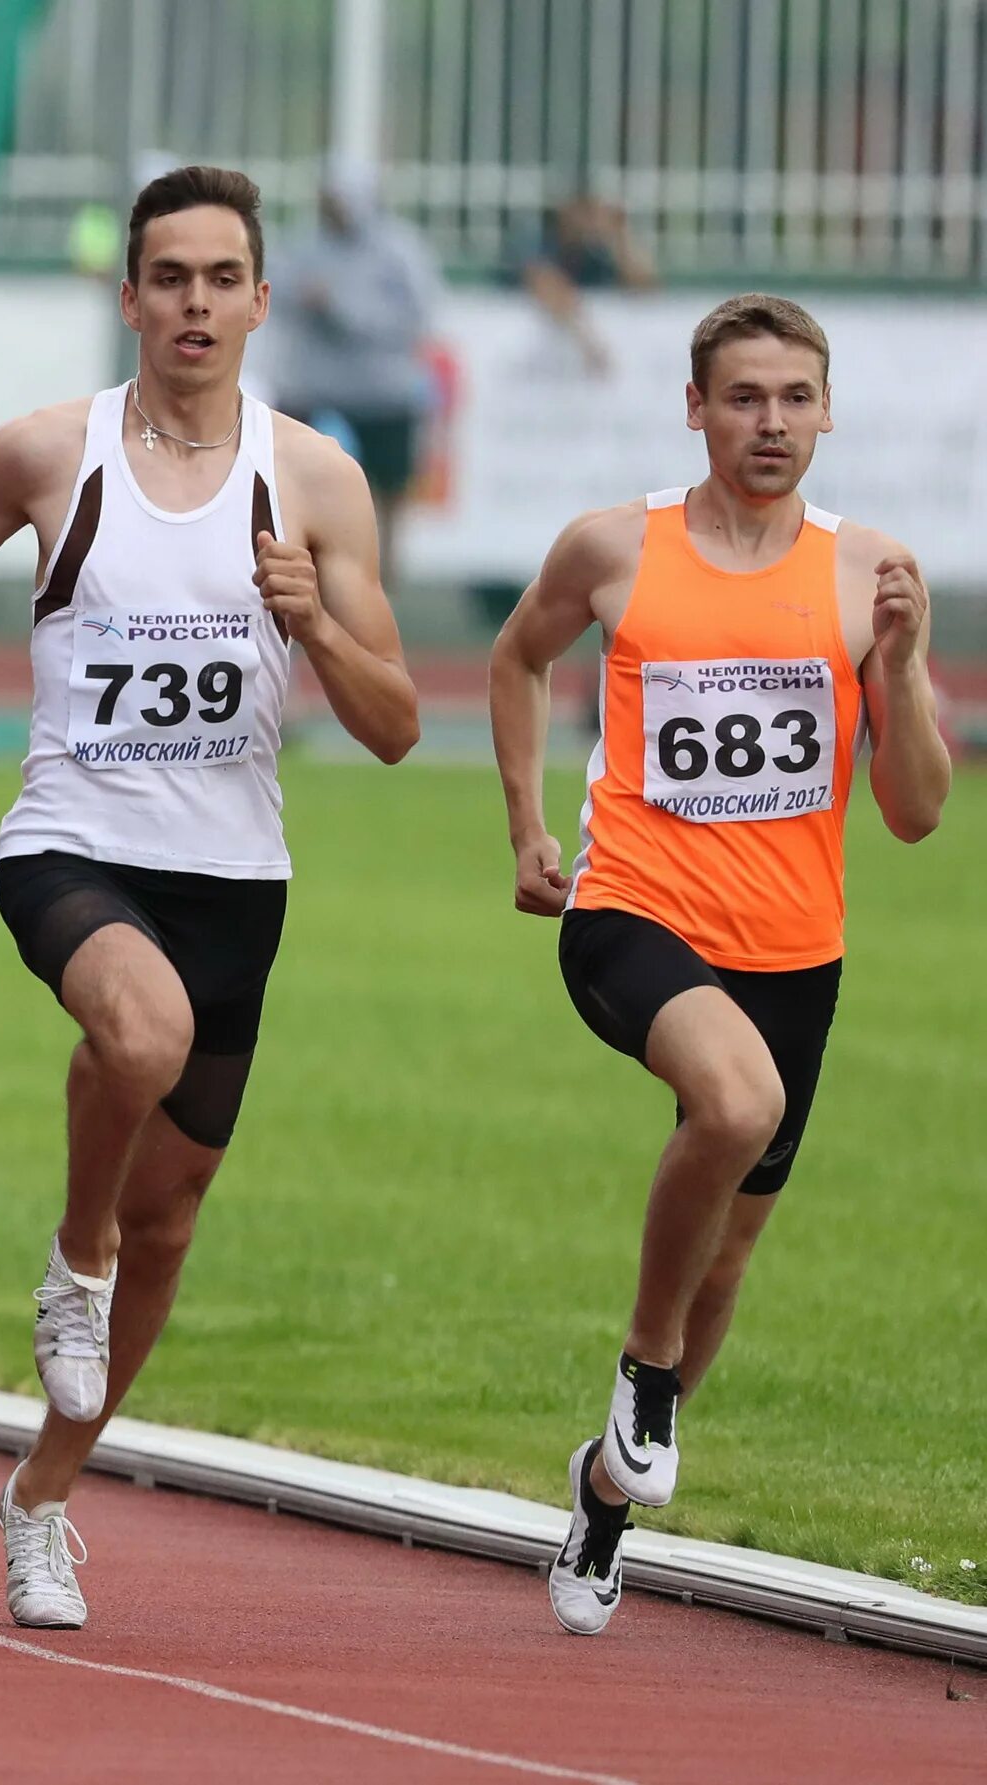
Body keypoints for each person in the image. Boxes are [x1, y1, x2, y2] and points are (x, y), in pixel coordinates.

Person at [0, 165, 421, 1626]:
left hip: (237, 873)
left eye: (219, 278)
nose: (194, 303)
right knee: (138, 1035)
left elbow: (392, 723)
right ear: (131, 297)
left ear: (259, 298)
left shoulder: (313, 479)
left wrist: (316, 625)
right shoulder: (49, 456)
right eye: (167, 277)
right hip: (72, 841)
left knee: (174, 1221)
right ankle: (73, 1255)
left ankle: (43, 1497)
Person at [487, 295, 949, 1637]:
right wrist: (526, 824)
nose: (771, 424)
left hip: (796, 949)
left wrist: (906, 671)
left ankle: (605, 1503)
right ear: (695, 408)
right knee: (733, 1108)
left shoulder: (869, 574)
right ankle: (643, 1367)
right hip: (630, 911)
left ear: (826, 411)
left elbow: (916, 812)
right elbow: (518, 659)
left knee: (731, 1256)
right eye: (744, 398)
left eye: (796, 398)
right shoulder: (614, 548)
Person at [267, 159, 437, 560]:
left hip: (382, 391)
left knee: (388, 488)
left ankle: (386, 572)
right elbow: (272, 290)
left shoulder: (401, 250)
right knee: (291, 477)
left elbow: (417, 318)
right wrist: (301, 297)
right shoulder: (303, 242)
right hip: (313, 385)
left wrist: (342, 308)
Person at [506, 188, 657, 376]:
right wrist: (588, 341)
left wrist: (620, 236)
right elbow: (546, 284)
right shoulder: (539, 243)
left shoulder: (594, 253)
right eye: (585, 212)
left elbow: (645, 287)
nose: (589, 221)